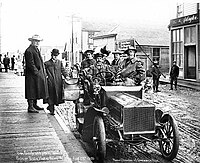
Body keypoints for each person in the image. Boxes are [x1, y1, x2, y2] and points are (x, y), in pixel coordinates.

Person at [24, 34, 49, 113]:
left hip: (36, 74)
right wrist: (36, 72)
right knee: (31, 89)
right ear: (32, 41)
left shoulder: (35, 49)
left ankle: (34, 105)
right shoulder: (29, 50)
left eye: (38, 41)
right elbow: (30, 64)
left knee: (35, 89)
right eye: (36, 41)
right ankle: (30, 106)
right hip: (32, 75)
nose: (37, 43)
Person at [44, 49, 69, 115]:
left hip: (58, 81)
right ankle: (52, 109)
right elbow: (44, 72)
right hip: (50, 81)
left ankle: (51, 107)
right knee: (51, 95)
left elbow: (62, 70)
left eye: (56, 55)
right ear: (51, 55)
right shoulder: (47, 63)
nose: (55, 57)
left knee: (57, 95)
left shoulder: (59, 62)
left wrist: (66, 76)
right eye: (54, 55)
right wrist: (46, 77)